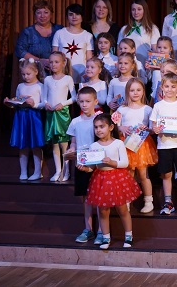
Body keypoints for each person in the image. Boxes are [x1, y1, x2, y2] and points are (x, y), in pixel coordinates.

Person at [82, 114, 143, 249]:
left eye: (101, 126)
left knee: (122, 208)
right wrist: (84, 168)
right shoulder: (93, 146)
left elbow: (125, 163)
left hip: (117, 178)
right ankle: (106, 237)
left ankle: (128, 235)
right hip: (100, 179)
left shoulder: (118, 143)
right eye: (96, 127)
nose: (98, 130)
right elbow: (92, 167)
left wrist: (111, 162)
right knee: (103, 210)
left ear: (110, 127)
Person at [150, 73, 177, 215]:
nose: (169, 89)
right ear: (162, 88)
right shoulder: (157, 106)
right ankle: (168, 202)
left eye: (173, 87)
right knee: (166, 174)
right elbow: (153, 125)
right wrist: (155, 129)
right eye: (167, 86)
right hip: (164, 145)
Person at [115, 78, 157, 214]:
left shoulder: (148, 109)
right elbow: (115, 127)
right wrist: (121, 128)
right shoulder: (122, 109)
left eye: (138, 90)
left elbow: (152, 129)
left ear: (143, 91)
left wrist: (147, 129)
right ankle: (127, 201)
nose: (135, 93)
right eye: (132, 90)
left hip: (142, 145)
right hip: (126, 145)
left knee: (143, 174)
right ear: (127, 92)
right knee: (128, 175)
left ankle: (149, 201)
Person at [67, 87, 103, 245]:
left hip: (98, 164)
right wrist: (72, 149)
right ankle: (88, 229)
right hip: (82, 164)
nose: (84, 104)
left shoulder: (99, 120)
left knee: (100, 197)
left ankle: (102, 230)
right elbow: (74, 142)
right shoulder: (75, 122)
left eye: (88, 101)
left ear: (95, 102)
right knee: (87, 198)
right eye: (81, 101)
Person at [4, 58, 45, 181]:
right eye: (23, 74)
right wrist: (10, 103)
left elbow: (44, 104)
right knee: (23, 145)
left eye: (28, 74)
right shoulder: (20, 86)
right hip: (21, 117)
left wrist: (34, 103)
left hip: (34, 117)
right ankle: (23, 171)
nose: (25, 77)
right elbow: (17, 102)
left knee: (35, 145)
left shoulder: (40, 86)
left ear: (36, 72)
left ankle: (38, 172)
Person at [43, 52, 76, 182]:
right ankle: (57, 170)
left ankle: (66, 171)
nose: (53, 65)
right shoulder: (47, 79)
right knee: (55, 144)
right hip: (51, 114)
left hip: (62, 114)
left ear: (63, 63)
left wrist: (62, 104)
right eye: (51, 62)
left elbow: (74, 97)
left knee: (64, 144)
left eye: (56, 62)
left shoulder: (68, 79)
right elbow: (44, 97)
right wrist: (46, 104)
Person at [52, 4, 94, 84]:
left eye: (77, 14)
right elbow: (54, 56)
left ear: (82, 16)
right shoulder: (59, 33)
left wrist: (87, 76)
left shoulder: (88, 36)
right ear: (67, 17)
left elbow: (89, 59)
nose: (74, 17)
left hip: (81, 77)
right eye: (71, 14)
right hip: (62, 76)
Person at [15, 1, 63, 70]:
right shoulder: (28, 32)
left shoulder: (60, 30)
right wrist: (39, 61)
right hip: (34, 70)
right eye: (39, 13)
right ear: (35, 15)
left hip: (58, 71)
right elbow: (20, 51)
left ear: (51, 14)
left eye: (46, 12)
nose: (42, 16)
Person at [118, 0, 160, 67]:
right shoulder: (124, 29)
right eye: (133, 9)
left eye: (139, 9)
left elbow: (155, 51)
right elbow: (119, 50)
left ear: (144, 10)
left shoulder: (152, 29)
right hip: (127, 67)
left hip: (145, 66)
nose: (136, 12)